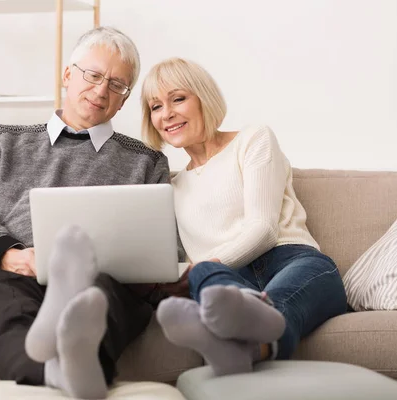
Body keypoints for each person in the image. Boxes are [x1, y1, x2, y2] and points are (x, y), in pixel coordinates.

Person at [0, 27, 170, 400]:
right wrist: (11, 255)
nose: (102, 90)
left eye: (117, 85)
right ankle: (63, 375)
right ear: (68, 75)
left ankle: (66, 369)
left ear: (124, 100)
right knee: (3, 310)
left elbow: (166, 247)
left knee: (102, 300)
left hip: (103, 278)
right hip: (12, 270)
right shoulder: (4, 139)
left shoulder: (147, 161)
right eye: (93, 75)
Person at [140, 57, 348, 376]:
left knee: (223, 279)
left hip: (291, 259)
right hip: (226, 281)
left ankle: (233, 338)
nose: (166, 114)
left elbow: (263, 230)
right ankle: (244, 343)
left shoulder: (252, 140)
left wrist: (206, 266)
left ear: (203, 98)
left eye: (178, 99)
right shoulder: (168, 185)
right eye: (155, 106)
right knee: (203, 277)